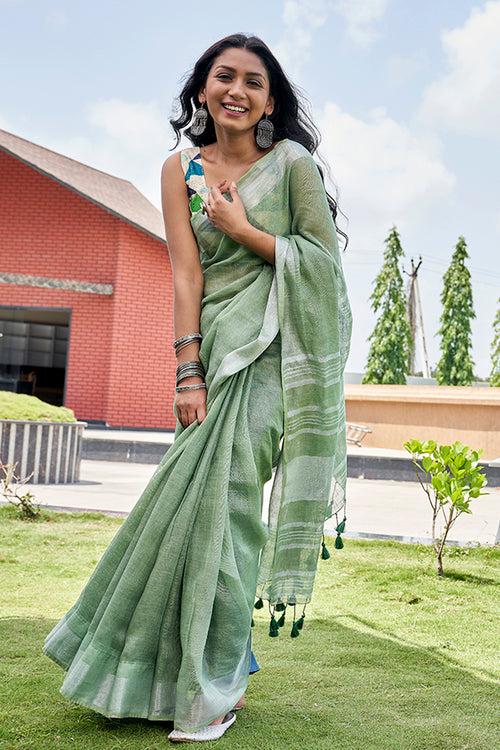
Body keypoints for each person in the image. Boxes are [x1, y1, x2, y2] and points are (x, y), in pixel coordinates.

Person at [42, 32, 352, 743]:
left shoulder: (292, 166)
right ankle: (162, 669)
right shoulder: (179, 170)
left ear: (271, 100)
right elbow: (186, 274)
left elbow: (323, 271)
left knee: (233, 515)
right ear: (202, 88)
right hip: (214, 352)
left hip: (274, 357)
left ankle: (210, 690)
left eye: (253, 81)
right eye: (224, 77)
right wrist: (187, 370)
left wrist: (243, 229)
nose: (236, 91)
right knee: (182, 510)